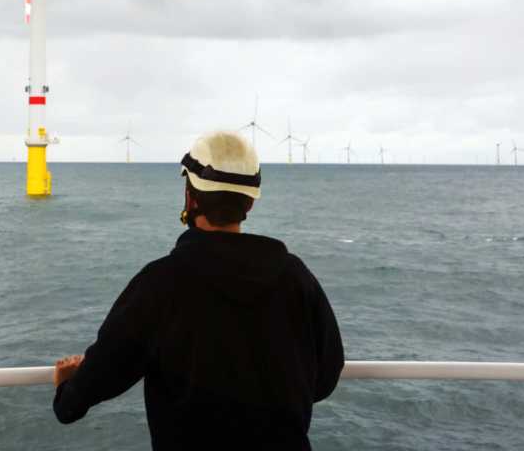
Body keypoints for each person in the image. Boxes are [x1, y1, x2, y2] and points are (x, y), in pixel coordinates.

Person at [52, 130, 344, 450]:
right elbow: (327, 373)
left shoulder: (159, 284)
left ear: (191, 197)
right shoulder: (296, 277)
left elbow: (103, 373)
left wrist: (68, 392)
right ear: (248, 202)